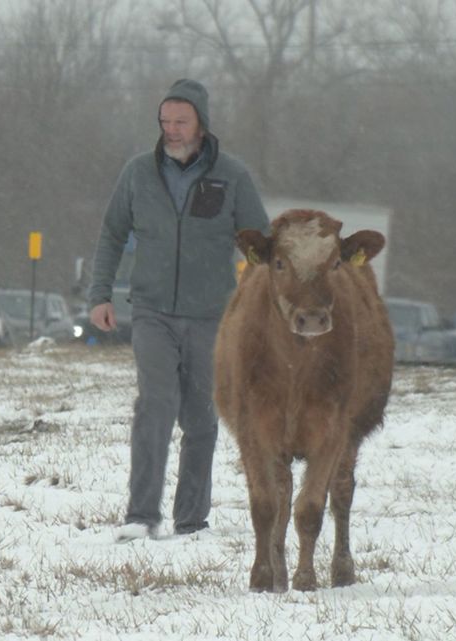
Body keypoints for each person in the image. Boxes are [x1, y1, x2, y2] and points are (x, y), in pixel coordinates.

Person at [88, 79, 270, 541]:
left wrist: (259, 302)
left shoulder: (232, 176)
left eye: (180, 122)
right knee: (155, 404)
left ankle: (192, 521)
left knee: (201, 416)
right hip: (151, 310)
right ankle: (141, 515)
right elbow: (112, 234)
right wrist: (100, 294)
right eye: (165, 122)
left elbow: (259, 244)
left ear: (201, 124)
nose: (171, 130)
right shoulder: (137, 174)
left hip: (211, 315)